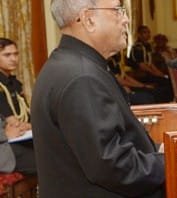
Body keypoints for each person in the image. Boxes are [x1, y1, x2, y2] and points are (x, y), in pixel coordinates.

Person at [32, 0, 165, 197]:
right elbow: (113, 166)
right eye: (118, 11)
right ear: (88, 19)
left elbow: (113, 139)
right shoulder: (81, 77)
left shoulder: (72, 63)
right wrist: (168, 160)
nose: (126, 19)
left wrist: (161, 149)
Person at [0, 38, 34, 175]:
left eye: (16, 54)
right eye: (7, 55)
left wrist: (28, 124)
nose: (13, 59)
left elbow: (27, 117)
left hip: (22, 137)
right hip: (10, 144)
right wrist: (23, 125)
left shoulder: (15, 83)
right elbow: (12, 122)